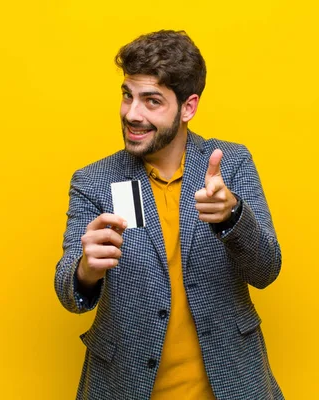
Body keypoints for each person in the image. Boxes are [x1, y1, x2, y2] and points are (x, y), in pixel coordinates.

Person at [55, 30, 284, 400]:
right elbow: (69, 292)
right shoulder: (93, 180)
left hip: (231, 385)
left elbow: (267, 270)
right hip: (124, 386)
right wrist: (86, 270)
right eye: (127, 96)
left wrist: (233, 217)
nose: (132, 113)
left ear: (188, 107)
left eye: (152, 101)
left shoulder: (231, 164)